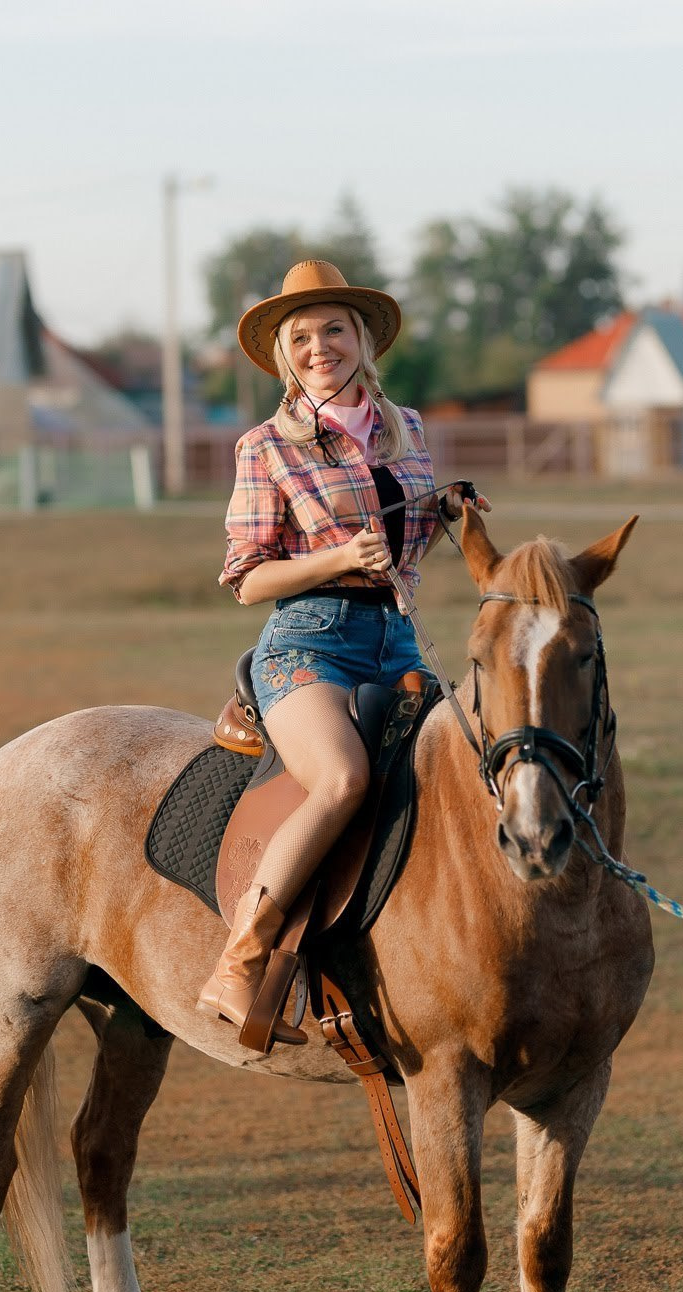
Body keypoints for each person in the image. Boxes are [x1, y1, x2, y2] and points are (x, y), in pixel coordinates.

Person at [197, 259, 488, 1049]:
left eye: (333, 328)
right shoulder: (265, 447)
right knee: (342, 779)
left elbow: (411, 533)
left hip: (398, 640)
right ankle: (242, 960)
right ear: (284, 357)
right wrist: (335, 561)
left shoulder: (411, 429)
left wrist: (453, 511)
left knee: (467, 776)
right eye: (301, 336)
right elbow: (247, 580)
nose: (319, 345)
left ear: (362, 340)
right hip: (307, 644)